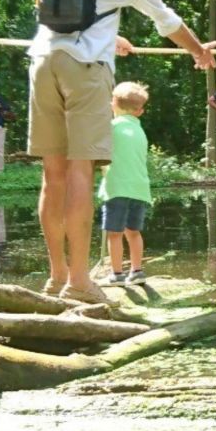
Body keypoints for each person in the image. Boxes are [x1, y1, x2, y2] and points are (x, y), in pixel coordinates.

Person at [27, 0, 216, 304]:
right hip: (86, 70)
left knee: (52, 175)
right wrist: (199, 51)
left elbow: (62, 18)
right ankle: (79, 281)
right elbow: (165, 20)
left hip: (43, 63)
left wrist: (110, 37)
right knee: (80, 172)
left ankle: (56, 276)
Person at [97, 82, 153, 287]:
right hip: (140, 188)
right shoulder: (139, 130)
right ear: (140, 111)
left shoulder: (110, 127)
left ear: (113, 104)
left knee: (114, 233)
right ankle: (137, 271)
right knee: (134, 231)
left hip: (117, 187)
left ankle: (117, 274)